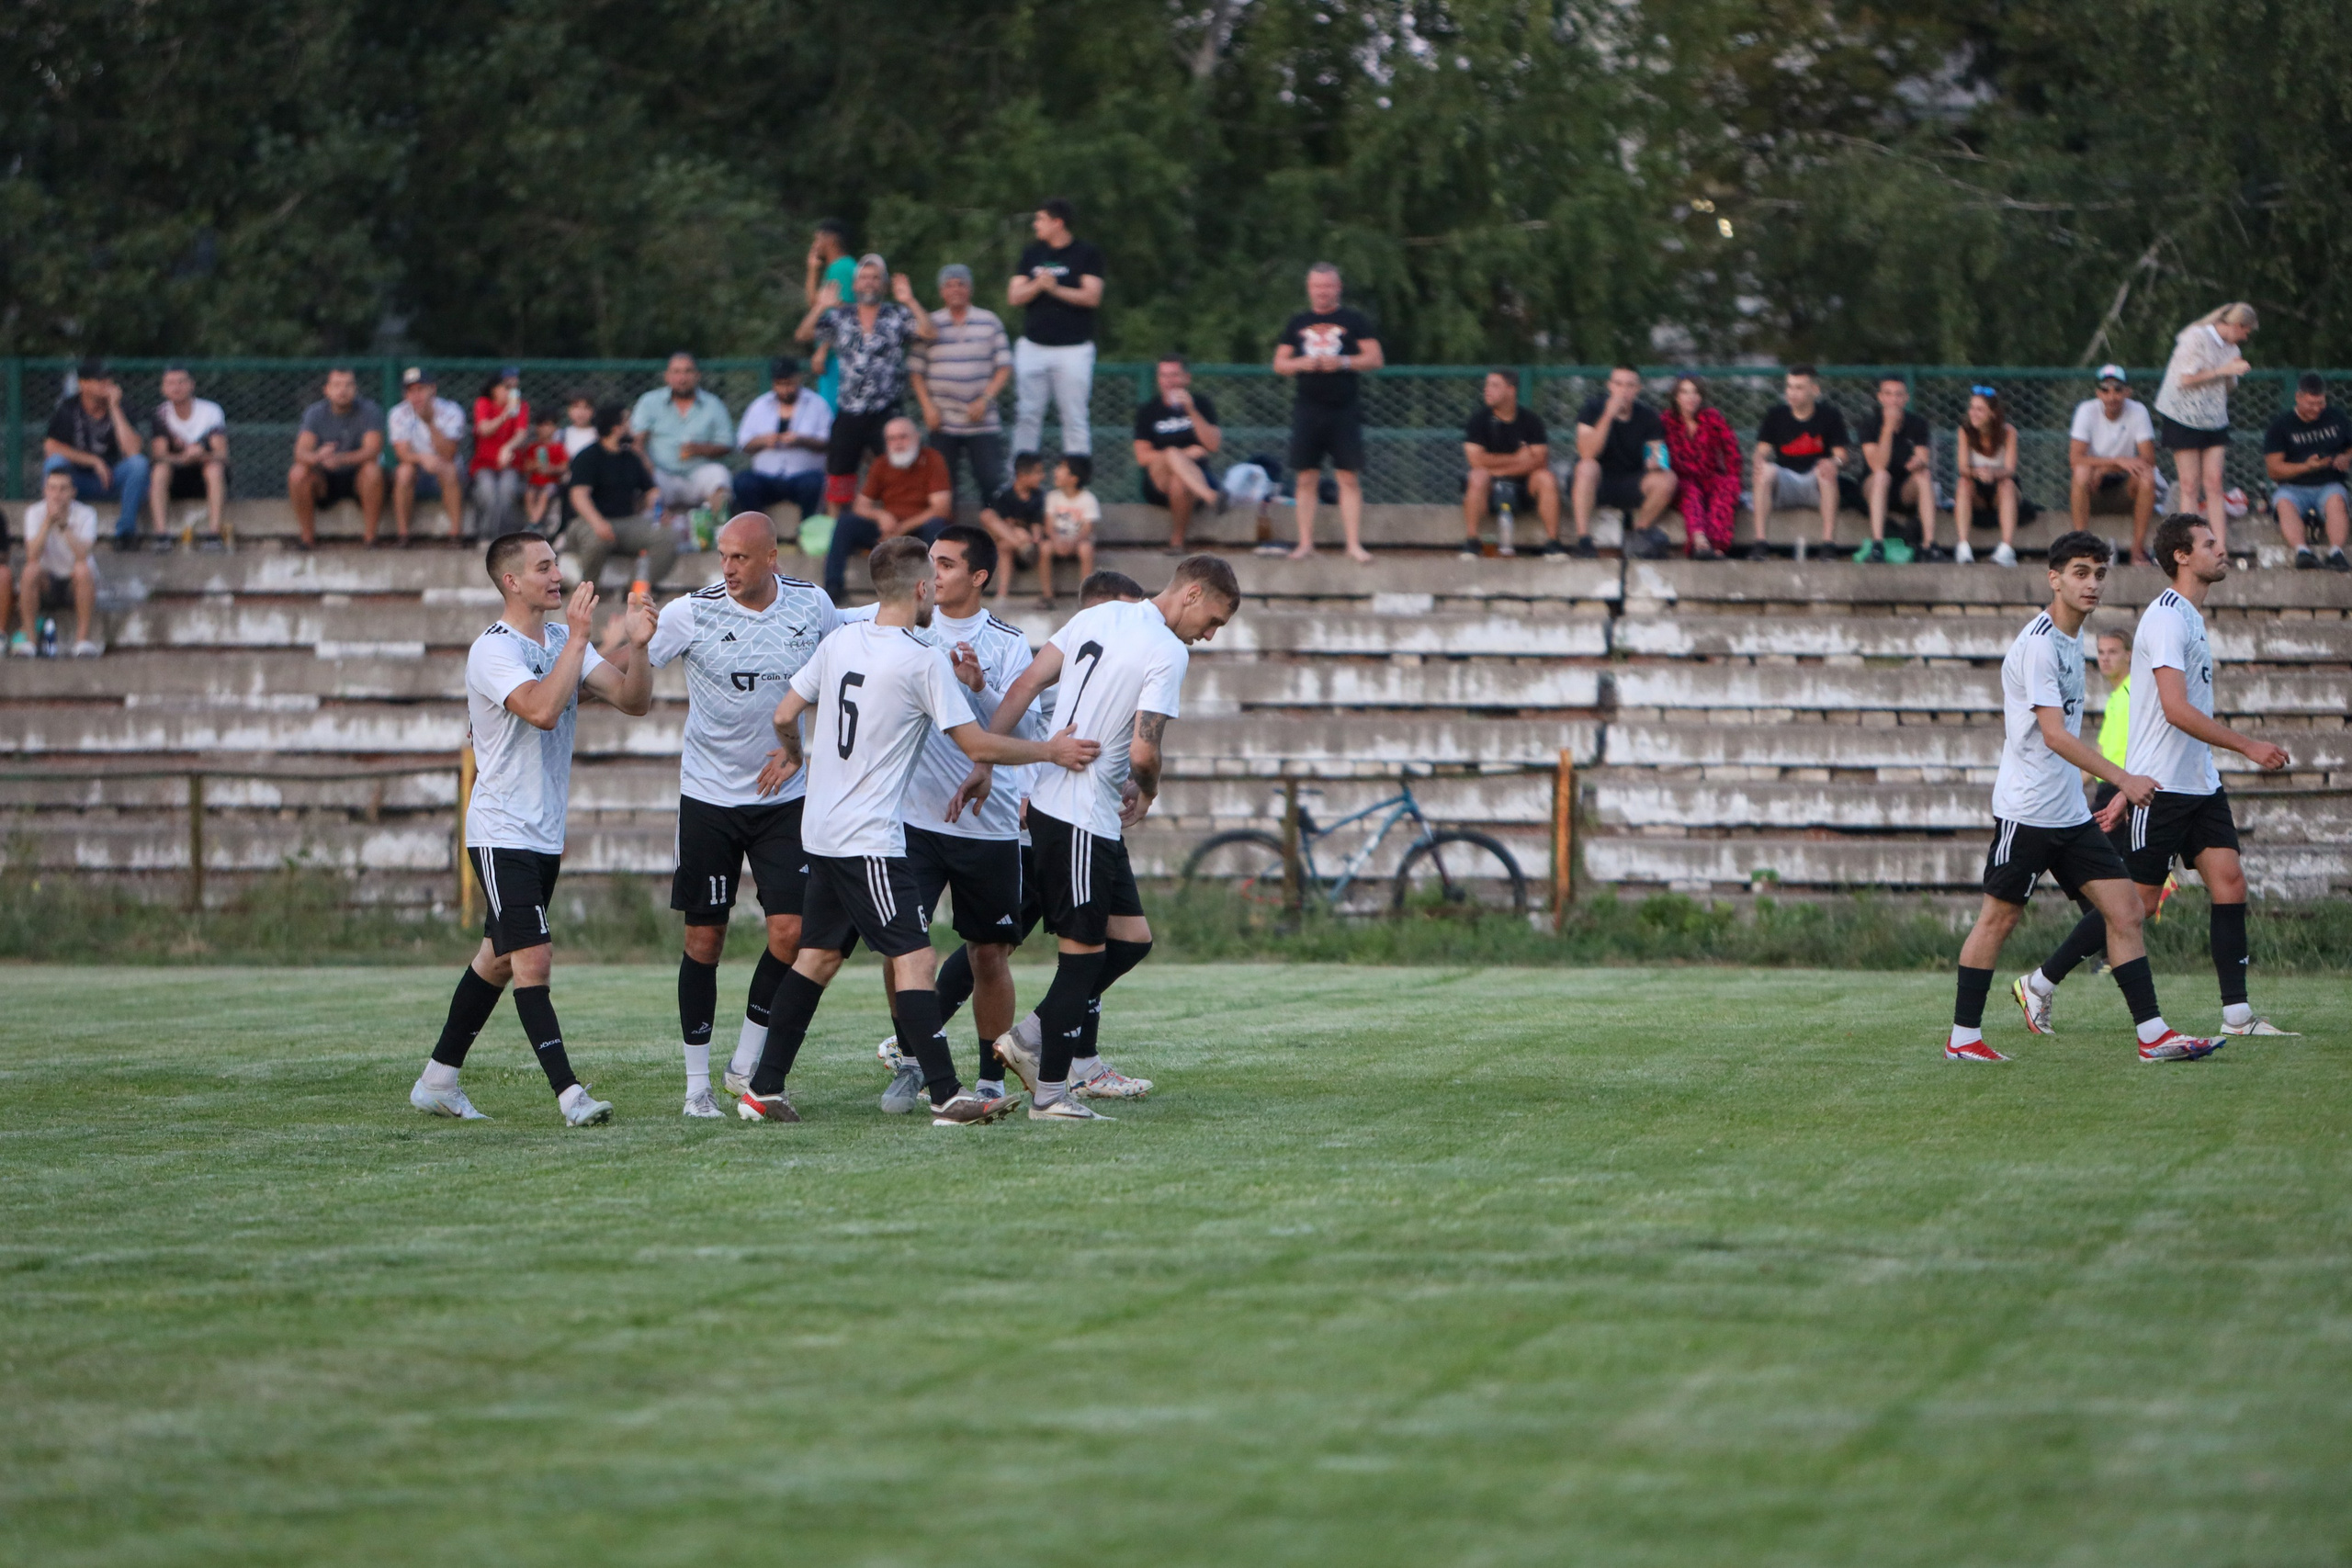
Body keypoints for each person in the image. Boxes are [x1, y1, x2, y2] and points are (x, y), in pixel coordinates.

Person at [734, 536, 1100, 1124]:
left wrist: (795, 754)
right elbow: (977, 745)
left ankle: (763, 1088)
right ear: (923, 588)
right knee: (916, 959)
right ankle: (945, 1094)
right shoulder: (920, 657)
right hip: (868, 837)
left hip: (820, 827)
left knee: (818, 957)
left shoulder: (842, 640)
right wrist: (1051, 751)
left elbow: (783, 714)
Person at [1940, 530, 2218, 1065]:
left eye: (2099, 574)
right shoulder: (2040, 644)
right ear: (2055, 579)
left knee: (2127, 910)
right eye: (2080, 573)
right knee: (1998, 920)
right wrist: (2125, 779)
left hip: (2069, 815)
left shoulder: (2073, 639)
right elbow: (2054, 736)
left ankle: (2153, 1035)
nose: (2092, 584)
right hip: (2028, 813)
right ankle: (1963, 1038)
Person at [2017, 513, 2298, 1041]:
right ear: (2182, 557)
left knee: (2230, 882)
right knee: (2138, 904)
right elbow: (2174, 709)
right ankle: (2039, 982)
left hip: (2200, 783)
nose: (2221, 550)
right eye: (2209, 543)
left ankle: (2238, 1016)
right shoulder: (2167, 616)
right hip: (2162, 790)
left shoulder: (2190, 616)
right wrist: (2248, 746)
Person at [979, 555, 1239, 1118]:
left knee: (1132, 939)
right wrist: (1148, 790)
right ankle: (1051, 1095)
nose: (1210, 634)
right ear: (1192, 594)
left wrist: (985, 758)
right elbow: (1145, 751)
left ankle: (1030, 1035)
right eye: (1214, 620)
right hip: (1076, 813)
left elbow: (1026, 683)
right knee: (1081, 958)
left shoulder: (1098, 617)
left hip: (1078, 812)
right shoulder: (1167, 649)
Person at [409, 532, 654, 1126]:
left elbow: (632, 700)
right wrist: (581, 639)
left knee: (498, 958)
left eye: (555, 564)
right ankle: (571, 1096)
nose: (556, 575)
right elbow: (543, 711)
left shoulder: (560, 640)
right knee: (533, 960)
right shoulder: (494, 650)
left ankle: (438, 1080)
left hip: (542, 833)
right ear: (511, 581)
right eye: (543, 567)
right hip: (501, 830)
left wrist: (640, 648)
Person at [908, 570, 1151, 1103]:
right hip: (1044, 818)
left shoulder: (1130, 659)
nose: (1141, 621)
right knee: (1004, 942)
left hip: (1091, 816)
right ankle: (917, 1043)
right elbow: (1027, 730)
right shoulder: (1071, 666)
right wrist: (1013, 783)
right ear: (1097, 612)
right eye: (1129, 609)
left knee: (1097, 938)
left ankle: (1073, 1056)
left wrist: (1133, 781)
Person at [648, 513, 842, 1119]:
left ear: (772, 558)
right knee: (705, 939)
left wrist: (802, 750)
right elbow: (628, 670)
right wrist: (622, 640)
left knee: (791, 933)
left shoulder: (813, 605)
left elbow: (844, 670)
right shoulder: (690, 612)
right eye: (723, 556)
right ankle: (696, 1086)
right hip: (709, 797)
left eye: (741, 558)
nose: (728, 569)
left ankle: (745, 1065)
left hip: (784, 797)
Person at [841, 526, 1040, 1112]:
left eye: (948, 563)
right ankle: (911, 1062)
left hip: (987, 823)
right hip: (912, 820)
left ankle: (990, 1077)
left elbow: (1029, 731)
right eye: (932, 561)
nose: (935, 572)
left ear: (978, 577)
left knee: (988, 954)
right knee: (903, 948)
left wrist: (980, 688)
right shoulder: (897, 624)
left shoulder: (1008, 642)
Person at [797, 254, 935, 525]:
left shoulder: (896, 315)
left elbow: (929, 333)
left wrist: (910, 301)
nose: (869, 283)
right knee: (839, 472)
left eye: (875, 278)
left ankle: (896, 528)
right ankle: (837, 530)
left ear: (884, 284)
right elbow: (803, 334)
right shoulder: (841, 316)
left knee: (897, 470)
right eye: (864, 278)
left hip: (887, 409)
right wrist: (820, 306)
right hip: (850, 408)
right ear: (855, 285)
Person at [1273, 263, 1383, 562]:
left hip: (1344, 409)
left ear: (1338, 288)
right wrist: (1302, 364)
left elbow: (1375, 358)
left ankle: (1353, 544)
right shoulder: (1298, 322)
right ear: (1309, 288)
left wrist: (1343, 362)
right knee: (1306, 477)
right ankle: (1305, 543)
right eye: (1317, 286)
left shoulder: (1354, 320)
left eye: (1328, 286)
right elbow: (1280, 363)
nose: (1322, 292)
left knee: (1348, 477)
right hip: (1307, 408)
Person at [1007, 198, 1105, 462]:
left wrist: (1056, 289)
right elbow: (1014, 296)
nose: (1035, 224)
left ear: (1057, 223)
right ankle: (1020, 476)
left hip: (1073, 349)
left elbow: (1092, 297)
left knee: (1074, 416)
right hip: (1033, 346)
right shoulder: (1032, 253)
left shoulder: (1086, 253)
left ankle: (1076, 476)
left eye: (1040, 219)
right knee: (1027, 414)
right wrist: (1037, 286)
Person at [2154, 302, 2257, 555]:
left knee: (2214, 482)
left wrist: (2232, 373)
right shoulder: (2196, 338)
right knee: (2189, 484)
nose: (2245, 337)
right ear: (2237, 325)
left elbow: (2227, 387)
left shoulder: (2232, 348)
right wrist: (2224, 370)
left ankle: (2220, 546)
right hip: (2183, 416)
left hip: (2213, 418)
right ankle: (2191, 545)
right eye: (2245, 331)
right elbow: (2185, 379)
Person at [910, 263, 1012, 505]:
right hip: (942, 420)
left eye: (961, 284)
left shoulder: (989, 321)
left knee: (991, 482)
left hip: (982, 420)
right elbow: (915, 371)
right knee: (943, 487)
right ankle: (945, 529)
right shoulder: (929, 324)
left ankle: (994, 527)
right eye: (949, 285)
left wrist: (985, 399)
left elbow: (1005, 366)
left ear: (970, 289)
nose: (955, 289)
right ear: (941, 292)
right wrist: (927, 407)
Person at [829, 416, 952, 599]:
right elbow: (860, 506)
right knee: (846, 523)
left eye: (903, 437)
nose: (898, 443)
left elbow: (941, 508)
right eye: (891, 439)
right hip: (888, 530)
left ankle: (933, 591)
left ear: (917, 437)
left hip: (919, 531)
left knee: (936, 526)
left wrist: (902, 528)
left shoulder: (933, 459)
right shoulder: (881, 463)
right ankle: (833, 589)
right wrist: (880, 516)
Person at [563, 402, 676, 588]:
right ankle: (587, 590)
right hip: (588, 522)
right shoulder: (588, 457)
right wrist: (597, 522)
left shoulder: (631, 458)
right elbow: (579, 496)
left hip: (626, 521)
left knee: (666, 536)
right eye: (627, 422)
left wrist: (659, 509)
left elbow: (650, 490)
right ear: (616, 428)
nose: (631, 427)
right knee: (597, 539)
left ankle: (636, 589)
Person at [41, 358, 150, 551]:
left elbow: (133, 451)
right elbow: (51, 448)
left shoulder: (122, 406)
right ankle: (55, 524)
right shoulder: (69, 408)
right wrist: (93, 461)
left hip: (110, 478)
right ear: (83, 384)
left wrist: (114, 408)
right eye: (99, 380)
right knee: (54, 464)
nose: (106, 384)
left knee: (138, 465)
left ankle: (125, 534)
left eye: (108, 379)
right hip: (76, 481)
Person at [1573, 364, 1676, 558]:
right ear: (1610, 386)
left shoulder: (1648, 416)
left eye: (1630, 385)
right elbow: (1587, 452)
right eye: (1618, 384)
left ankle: (1638, 535)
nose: (1623, 390)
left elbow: (1657, 455)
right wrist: (1608, 415)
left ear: (1637, 389)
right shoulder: (1592, 409)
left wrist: (1655, 463)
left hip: (1631, 481)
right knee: (1586, 467)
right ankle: (1584, 540)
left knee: (1668, 479)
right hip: (1598, 481)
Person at [1747, 365, 1849, 559]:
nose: (1792, 393)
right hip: (1785, 482)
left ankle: (1828, 544)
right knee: (1764, 472)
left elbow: (1842, 456)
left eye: (1799, 388)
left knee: (1827, 471)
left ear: (1814, 390)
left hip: (1815, 482)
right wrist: (1758, 460)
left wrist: (1833, 462)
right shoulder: (1776, 415)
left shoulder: (1830, 415)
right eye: (1789, 387)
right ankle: (1760, 543)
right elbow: (1762, 450)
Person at [1460, 369, 1562, 556]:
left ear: (1511, 390)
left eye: (1494, 385)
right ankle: (1472, 540)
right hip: (1490, 488)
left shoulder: (1531, 421)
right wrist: (1518, 458)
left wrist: (1495, 467)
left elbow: (1540, 461)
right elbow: (1476, 460)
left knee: (1546, 478)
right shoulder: (1478, 421)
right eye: (1487, 385)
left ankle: (1553, 543)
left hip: (1524, 487)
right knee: (1477, 476)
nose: (1487, 390)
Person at [627, 353, 735, 523]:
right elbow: (636, 441)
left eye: (688, 372)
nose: (682, 378)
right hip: (661, 473)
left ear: (697, 375)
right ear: (667, 376)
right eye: (676, 372)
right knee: (643, 480)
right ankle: (654, 529)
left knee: (720, 475)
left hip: (698, 472)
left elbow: (727, 444)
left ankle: (718, 529)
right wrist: (646, 465)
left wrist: (700, 449)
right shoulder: (649, 402)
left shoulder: (713, 404)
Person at [2068, 364, 2160, 562]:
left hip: (2124, 486)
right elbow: (2075, 458)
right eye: (2105, 390)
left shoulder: (2138, 411)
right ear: (2098, 393)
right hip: (2093, 488)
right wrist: (2116, 461)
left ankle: (2137, 549)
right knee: (2081, 472)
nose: (2112, 396)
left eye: (2118, 390)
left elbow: (2149, 459)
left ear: (2127, 392)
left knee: (2147, 475)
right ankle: (2081, 544)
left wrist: (2106, 468)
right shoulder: (2086, 410)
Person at [2263, 372, 2352, 572]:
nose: (2317, 409)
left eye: (2321, 403)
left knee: (2337, 500)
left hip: (2329, 484)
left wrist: (2346, 457)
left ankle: (2336, 552)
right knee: (2284, 503)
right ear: (2298, 397)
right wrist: (2307, 467)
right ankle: (2302, 551)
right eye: (2311, 404)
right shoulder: (2281, 426)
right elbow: (2273, 470)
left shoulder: (2336, 417)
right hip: (2293, 487)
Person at [1133, 355, 1223, 551]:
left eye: (1174, 375)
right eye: (1163, 376)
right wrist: (1181, 455)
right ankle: (1211, 496)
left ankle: (1177, 542)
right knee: (1172, 453)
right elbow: (1142, 456)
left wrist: (1191, 410)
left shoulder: (1201, 404)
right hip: (1158, 477)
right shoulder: (1148, 410)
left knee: (1179, 482)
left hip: (1195, 476)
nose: (1169, 381)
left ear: (1186, 378)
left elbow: (1213, 445)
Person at [288, 367, 385, 549]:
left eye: (348, 385)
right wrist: (318, 457)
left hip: (358, 476)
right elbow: (300, 452)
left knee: (372, 470)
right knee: (297, 473)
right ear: (327, 390)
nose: (343, 390)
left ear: (355, 389)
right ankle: (307, 539)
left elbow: (372, 450)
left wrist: (340, 459)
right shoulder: (314, 413)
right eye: (337, 385)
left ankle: (371, 539)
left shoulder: (370, 410)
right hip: (324, 477)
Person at [732, 356, 833, 524]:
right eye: (780, 384)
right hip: (766, 477)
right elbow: (743, 443)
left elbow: (829, 442)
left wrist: (801, 440)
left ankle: (806, 530)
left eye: (789, 383)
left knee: (814, 483)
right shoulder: (759, 406)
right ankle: (757, 528)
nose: (785, 389)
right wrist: (764, 441)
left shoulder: (817, 405)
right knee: (743, 482)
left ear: (798, 378)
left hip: (802, 476)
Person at [14, 468, 103, 656]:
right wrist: (48, 523)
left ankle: (82, 641)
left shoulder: (87, 514)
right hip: (47, 581)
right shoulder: (34, 513)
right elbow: (32, 555)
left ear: (73, 492)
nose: (57, 494)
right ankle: (30, 642)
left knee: (82, 570)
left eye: (63, 489)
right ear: (45, 491)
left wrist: (64, 526)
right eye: (52, 488)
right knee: (30, 571)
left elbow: (82, 554)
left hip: (74, 582)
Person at [145, 366, 231, 550]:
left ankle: (214, 534)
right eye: (170, 383)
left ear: (192, 385)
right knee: (159, 471)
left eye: (181, 382)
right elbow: (159, 455)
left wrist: (200, 455)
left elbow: (222, 454)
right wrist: (183, 458)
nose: (176, 388)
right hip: (176, 475)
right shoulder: (160, 414)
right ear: (163, 388)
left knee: (214, 468)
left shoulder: (211, 411)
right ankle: (161, 536)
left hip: (204, 473)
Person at [1660, 376, 1741, 560]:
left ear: (1701, 396)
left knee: (1728, 484)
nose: (1691, 397)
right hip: (1680, 480)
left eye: (1695, 392)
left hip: (1708, 476)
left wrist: (1733, 476)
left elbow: (1731, 450)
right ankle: (1699, 541)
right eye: (1685, 392)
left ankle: (1718, 546)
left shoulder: (1712, 418)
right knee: (1690, 491)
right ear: (1676, 397)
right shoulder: (1665, 421)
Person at [1860, 375, 1936, 563]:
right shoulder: (1869, 423)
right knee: (1882, 476)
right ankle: (1878, 544)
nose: (1893, 400)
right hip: (1875, 486)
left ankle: (1929, 545)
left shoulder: (1918, 424)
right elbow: (1877, 465)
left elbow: (1923, 457)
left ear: (1906, 398)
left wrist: (1918, 463)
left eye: (1898, 395)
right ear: (1880, 397)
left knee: (1924, 475)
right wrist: (1888, 428)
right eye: (1888, 394)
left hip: (1904, 488)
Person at [388, 367, 468, 547]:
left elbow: (448, 453)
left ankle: (456, 533)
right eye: (410, 391)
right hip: (417, 466)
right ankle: (403, 535)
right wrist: (423, 458)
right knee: (403, 472)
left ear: (433, 389)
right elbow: (402, 453)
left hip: (445, 466)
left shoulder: (452, 410)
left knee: (449, 470)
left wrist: (430, 422)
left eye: (420, 389)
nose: (416, 395)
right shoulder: (398, 413)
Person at [1951, 386, 2022, 566]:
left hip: (2001, 489)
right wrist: (1977, 473)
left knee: (2007, 484)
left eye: (1980, 409)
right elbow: (1963, 468)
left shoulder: (2008, 433)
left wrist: (1993, 474)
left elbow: (2010, 469)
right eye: (1972, 408)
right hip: (1977, 489)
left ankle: (2006, 548)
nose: (1973, 413)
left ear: (1992, 413)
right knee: (1963, 483)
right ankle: (1963, 546)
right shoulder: (1965, 432)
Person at [469, 367, 531, 540]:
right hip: (484, 463)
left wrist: (508, 447)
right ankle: (485, 535)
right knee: (487, 491)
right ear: (494, 389)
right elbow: (484, 429)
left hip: (510, 463)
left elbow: (521, 433)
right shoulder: (483, 403)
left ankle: (505, 537)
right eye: (506, 387)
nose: (511, 391)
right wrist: (505, 415)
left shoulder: (521, 406)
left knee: (507, 490)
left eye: (514, 387)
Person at [805, 219, 859, 412]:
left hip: (838, 355)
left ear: (831, 239)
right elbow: (816, 305)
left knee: (833, 412)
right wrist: (812, 269)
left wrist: (823, 349)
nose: (815, 244)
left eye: (818, 239)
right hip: (834, 354)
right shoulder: (835, 268)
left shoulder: (842, 268)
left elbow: (843, 313)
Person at [978, 451, 1047, 603]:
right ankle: (1002, 594)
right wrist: (1017, 533)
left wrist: (1032, 538)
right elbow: (999, 526)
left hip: (1030, 545)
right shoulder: (1004, 495)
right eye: (1038, 473)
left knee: (1014, 537)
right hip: (1014, 543)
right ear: (1022, 475)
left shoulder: (1039, 497)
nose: (1042, 476)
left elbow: (1037, 526)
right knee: (987, 515)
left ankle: (1002, 593)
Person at [1035, 456, 1099, 607]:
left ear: (1073, 478)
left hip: (1078, 541)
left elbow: (1087, 529)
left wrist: (1072, 542)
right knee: (1045, 548)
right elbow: (1049, 525)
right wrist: (1056, 540)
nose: (1055, 471)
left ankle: (1085, 597)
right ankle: (1047, 596)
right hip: (1057, 540)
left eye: (1061, 468)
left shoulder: (1088, 499)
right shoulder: (1053, 497)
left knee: (1085, 549)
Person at [518, 412, 568, 533]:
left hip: (551, 483)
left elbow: (564, 467)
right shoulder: (533, 447)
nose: (545, 429)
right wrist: (536, 465)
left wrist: (551, 469)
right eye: (542, 425)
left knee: (545, 494)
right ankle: (534, 521)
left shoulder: (558, 447)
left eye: (549, 425)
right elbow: (526, 466)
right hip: (535, 482)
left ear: (555, 428)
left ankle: (534, 523)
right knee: (529, 494)